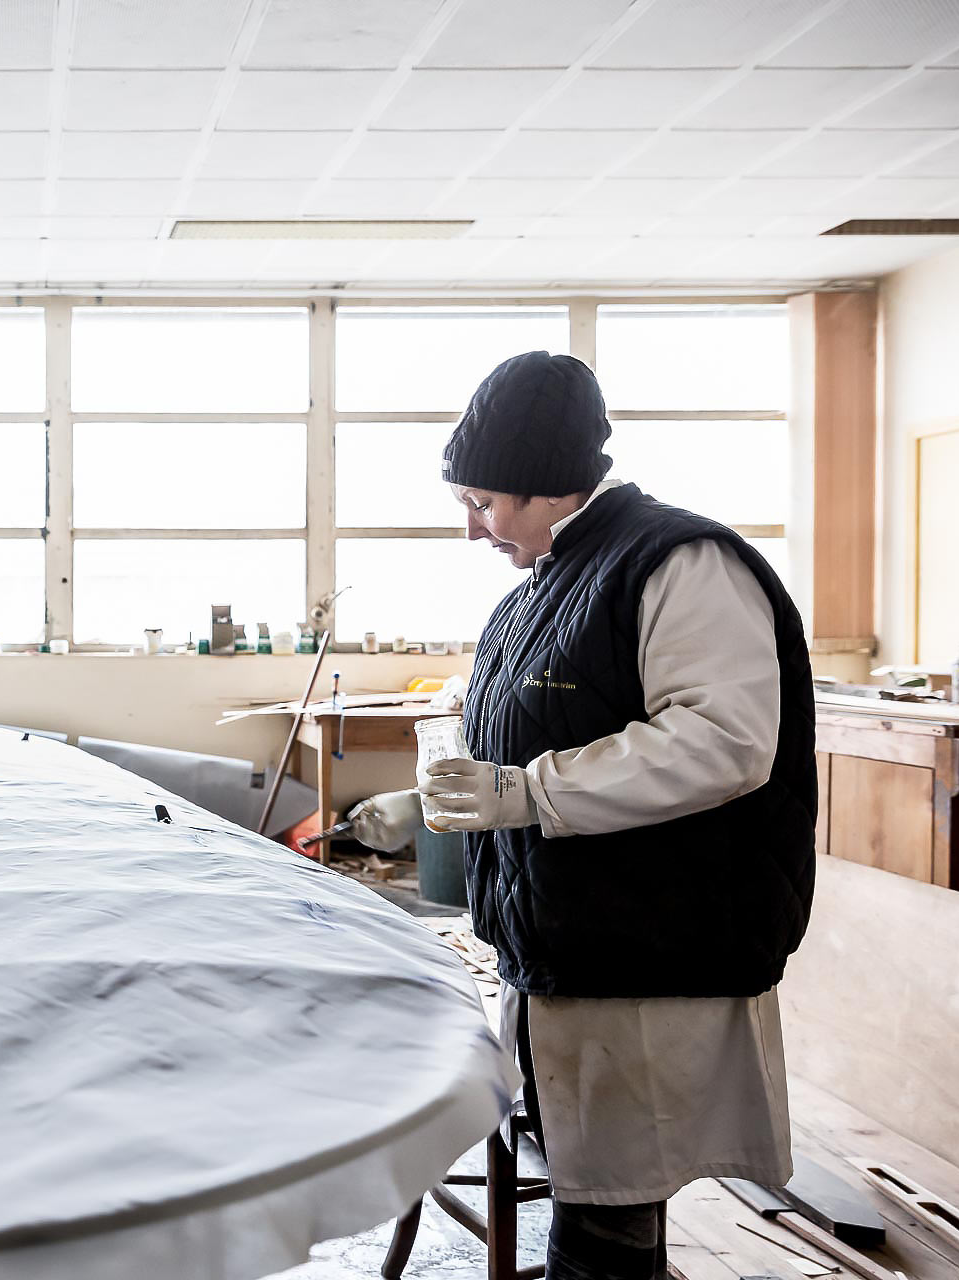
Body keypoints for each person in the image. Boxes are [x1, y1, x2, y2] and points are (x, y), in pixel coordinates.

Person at [348, 350, 817, 1280]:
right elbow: (538, 731)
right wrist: (438, 797)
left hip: (649, 948)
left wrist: (528, 794)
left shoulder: (679, 562)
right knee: (590, 1188)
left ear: (546, 486)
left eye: (482, 503)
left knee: (610, 1210)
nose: (473, 531)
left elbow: (723, 741)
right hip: (565, 941)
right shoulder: (540, 587)